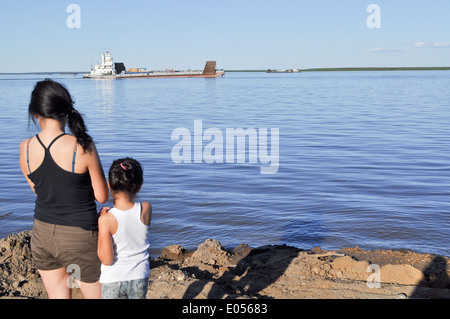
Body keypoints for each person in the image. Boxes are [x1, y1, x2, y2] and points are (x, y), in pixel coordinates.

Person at [19, 79, 109, 299]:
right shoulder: (82, 145)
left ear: (35, 112)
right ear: (66, 111)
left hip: (42, 234)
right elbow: (102, 196)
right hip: (80, 235)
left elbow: (38, 192)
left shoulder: (26, 147)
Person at [97, 157, 152, 299]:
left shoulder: (106, 220)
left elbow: (107, 259)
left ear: (109, 184)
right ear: (139, 185)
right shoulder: (146, 208)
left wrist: (100, 223)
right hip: (140, 276)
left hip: (113, 279)